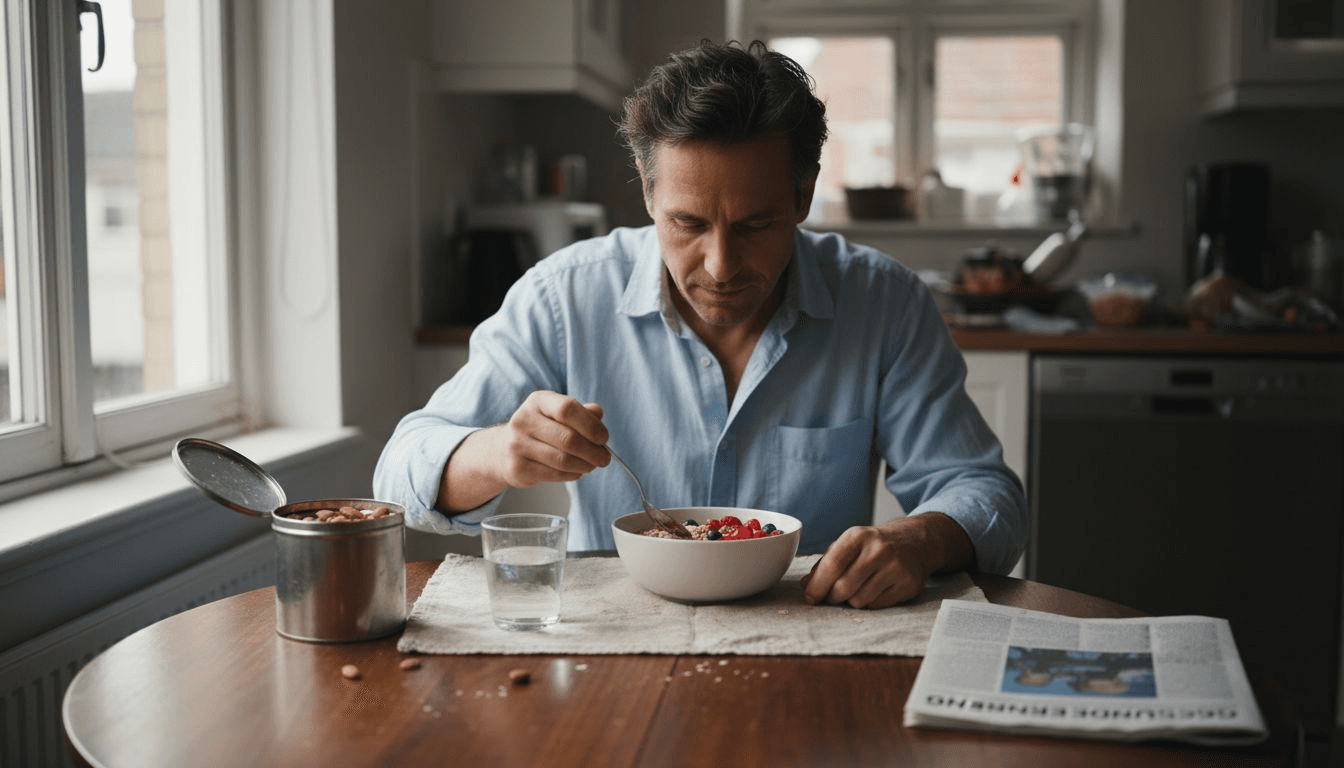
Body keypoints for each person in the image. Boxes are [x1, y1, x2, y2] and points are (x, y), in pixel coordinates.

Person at [374, 39, 1026, 609]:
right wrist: (500, 453)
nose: (719, 266)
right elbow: (399, 473)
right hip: (622, 648)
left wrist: (916, 539)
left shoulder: (884, 304)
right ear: (649, 192)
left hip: (817, 640)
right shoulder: (564, 298)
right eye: (688, 224)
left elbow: (984, 492)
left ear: (803, 196)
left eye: (755, 225)